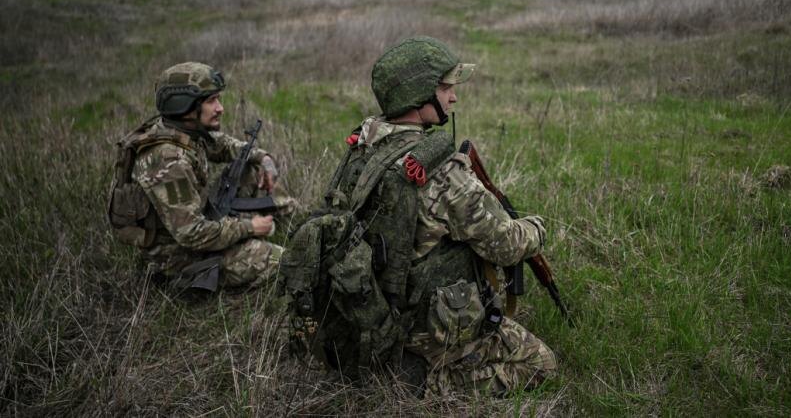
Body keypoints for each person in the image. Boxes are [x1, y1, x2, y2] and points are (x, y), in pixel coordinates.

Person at [323, 36, 557, 395]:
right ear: (419, 95)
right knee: (541, 364)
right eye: (446, 88)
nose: (454, 97)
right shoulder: (442, 172)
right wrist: (537, 227)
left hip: (368, 310)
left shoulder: (362, 146)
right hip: (421, 324)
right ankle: (424, 381)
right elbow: (506, 247)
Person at [107, 62, 296, 291]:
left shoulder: (183, 130)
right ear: (185, 106)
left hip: (197, 225)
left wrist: (262, 157)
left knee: (249, 167)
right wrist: (249, 228)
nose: (220, 108)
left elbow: (222, 145)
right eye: (211, 101)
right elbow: (191, 234)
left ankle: (298, 224)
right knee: (284, 262)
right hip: (179, 258)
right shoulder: (166, 161)